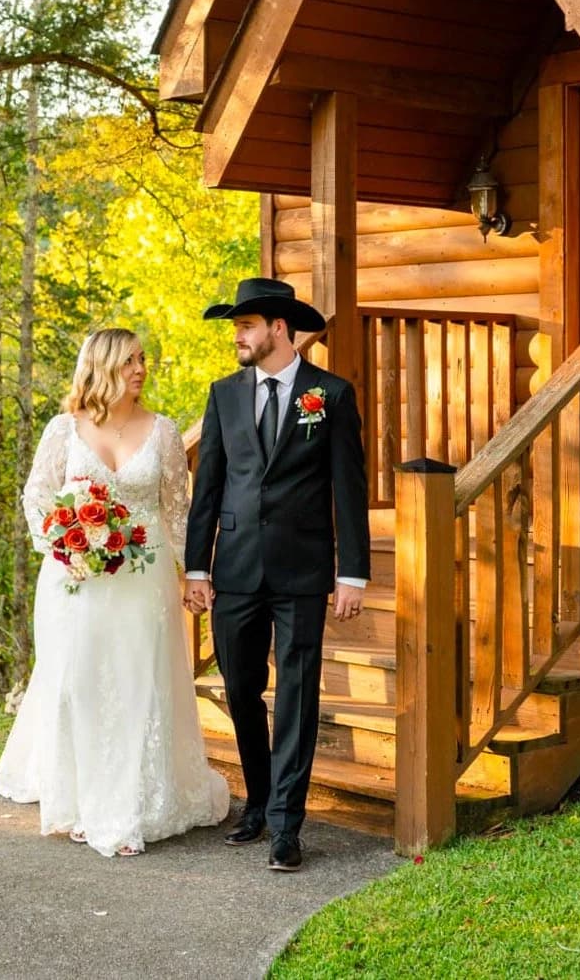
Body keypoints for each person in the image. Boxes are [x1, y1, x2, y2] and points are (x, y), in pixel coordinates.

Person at [0, 328, 230, 857]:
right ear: (101, 366)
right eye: (129, 361)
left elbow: (176, 511)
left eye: (142, 359)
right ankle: (80, 800)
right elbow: (37, 497)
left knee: (139, 682)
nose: (141, 369)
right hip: (74, 581)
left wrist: (195, 573)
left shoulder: (164, 431)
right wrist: (62, 547)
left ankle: (135, 803)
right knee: (79, 682)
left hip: (143, 584)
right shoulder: (64, 430)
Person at [183, 278, 371, 873]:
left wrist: (353, 574)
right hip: (234, 569)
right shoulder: (224, 395)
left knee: (296, 694)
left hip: (302, 572)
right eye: (236, 327)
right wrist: (196, 565)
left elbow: (349, 489)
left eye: (245, 325)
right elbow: (207, 486)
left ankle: (288, 823)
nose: (237, 335)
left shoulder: (331, 396)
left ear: (279, 329)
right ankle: (259, 801)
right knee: (240, 688)